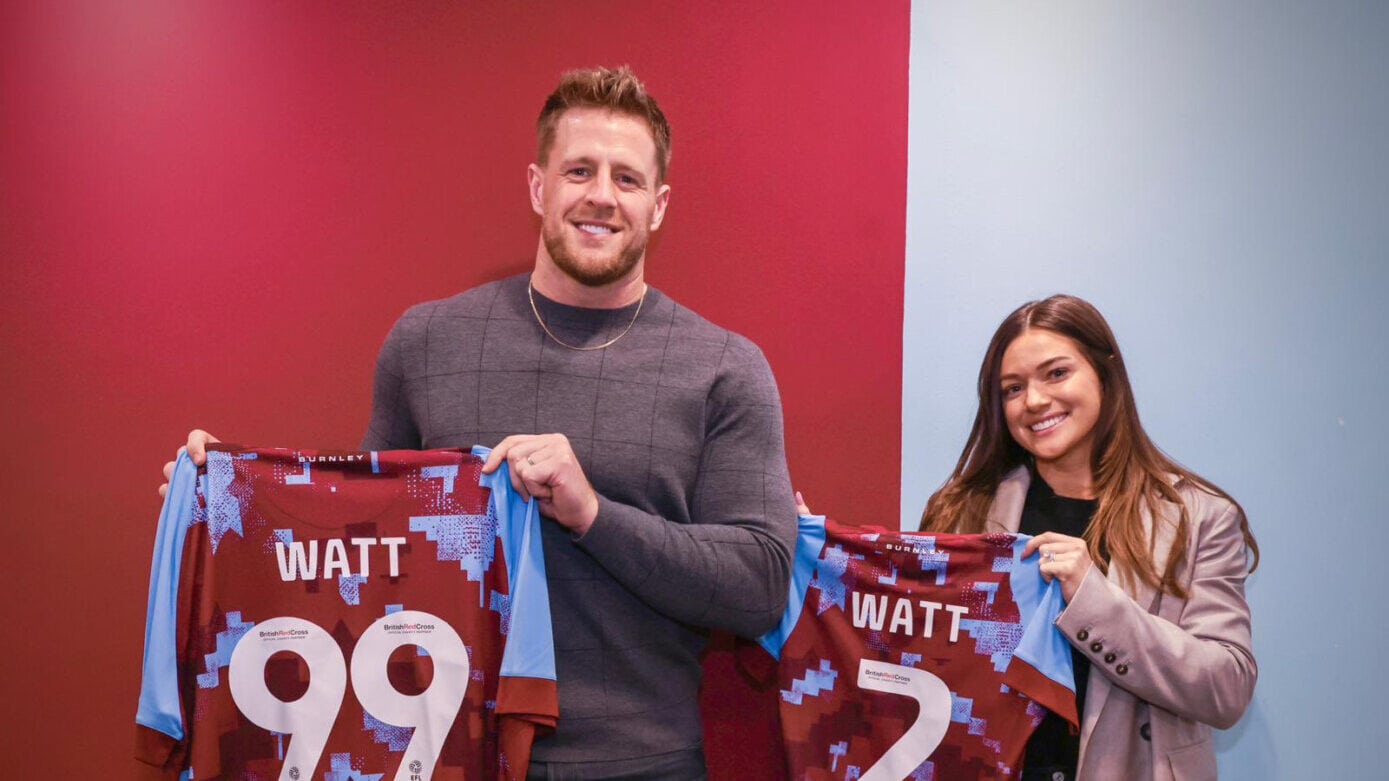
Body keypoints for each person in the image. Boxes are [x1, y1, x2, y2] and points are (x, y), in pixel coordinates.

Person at [161, 66, 796, 781]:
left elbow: (759, 585)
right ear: (537, 187)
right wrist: (233, 497)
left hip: (642, 762)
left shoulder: (724, 369)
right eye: (579, 170)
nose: (600, 196)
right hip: (446, 754)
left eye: (627, 179)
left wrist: (592, 513)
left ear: (658, 205)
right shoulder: (427, 342)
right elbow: (362, 543)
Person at [919, 294, 1258, 780]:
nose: (1034, 401)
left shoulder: (1198, 517)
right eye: (1013, 388)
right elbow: (912, 647)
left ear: (1106, 373)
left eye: (1056, 374)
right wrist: (823, 560)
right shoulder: (961, 510)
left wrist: (1094, 601)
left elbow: (1225, 689)